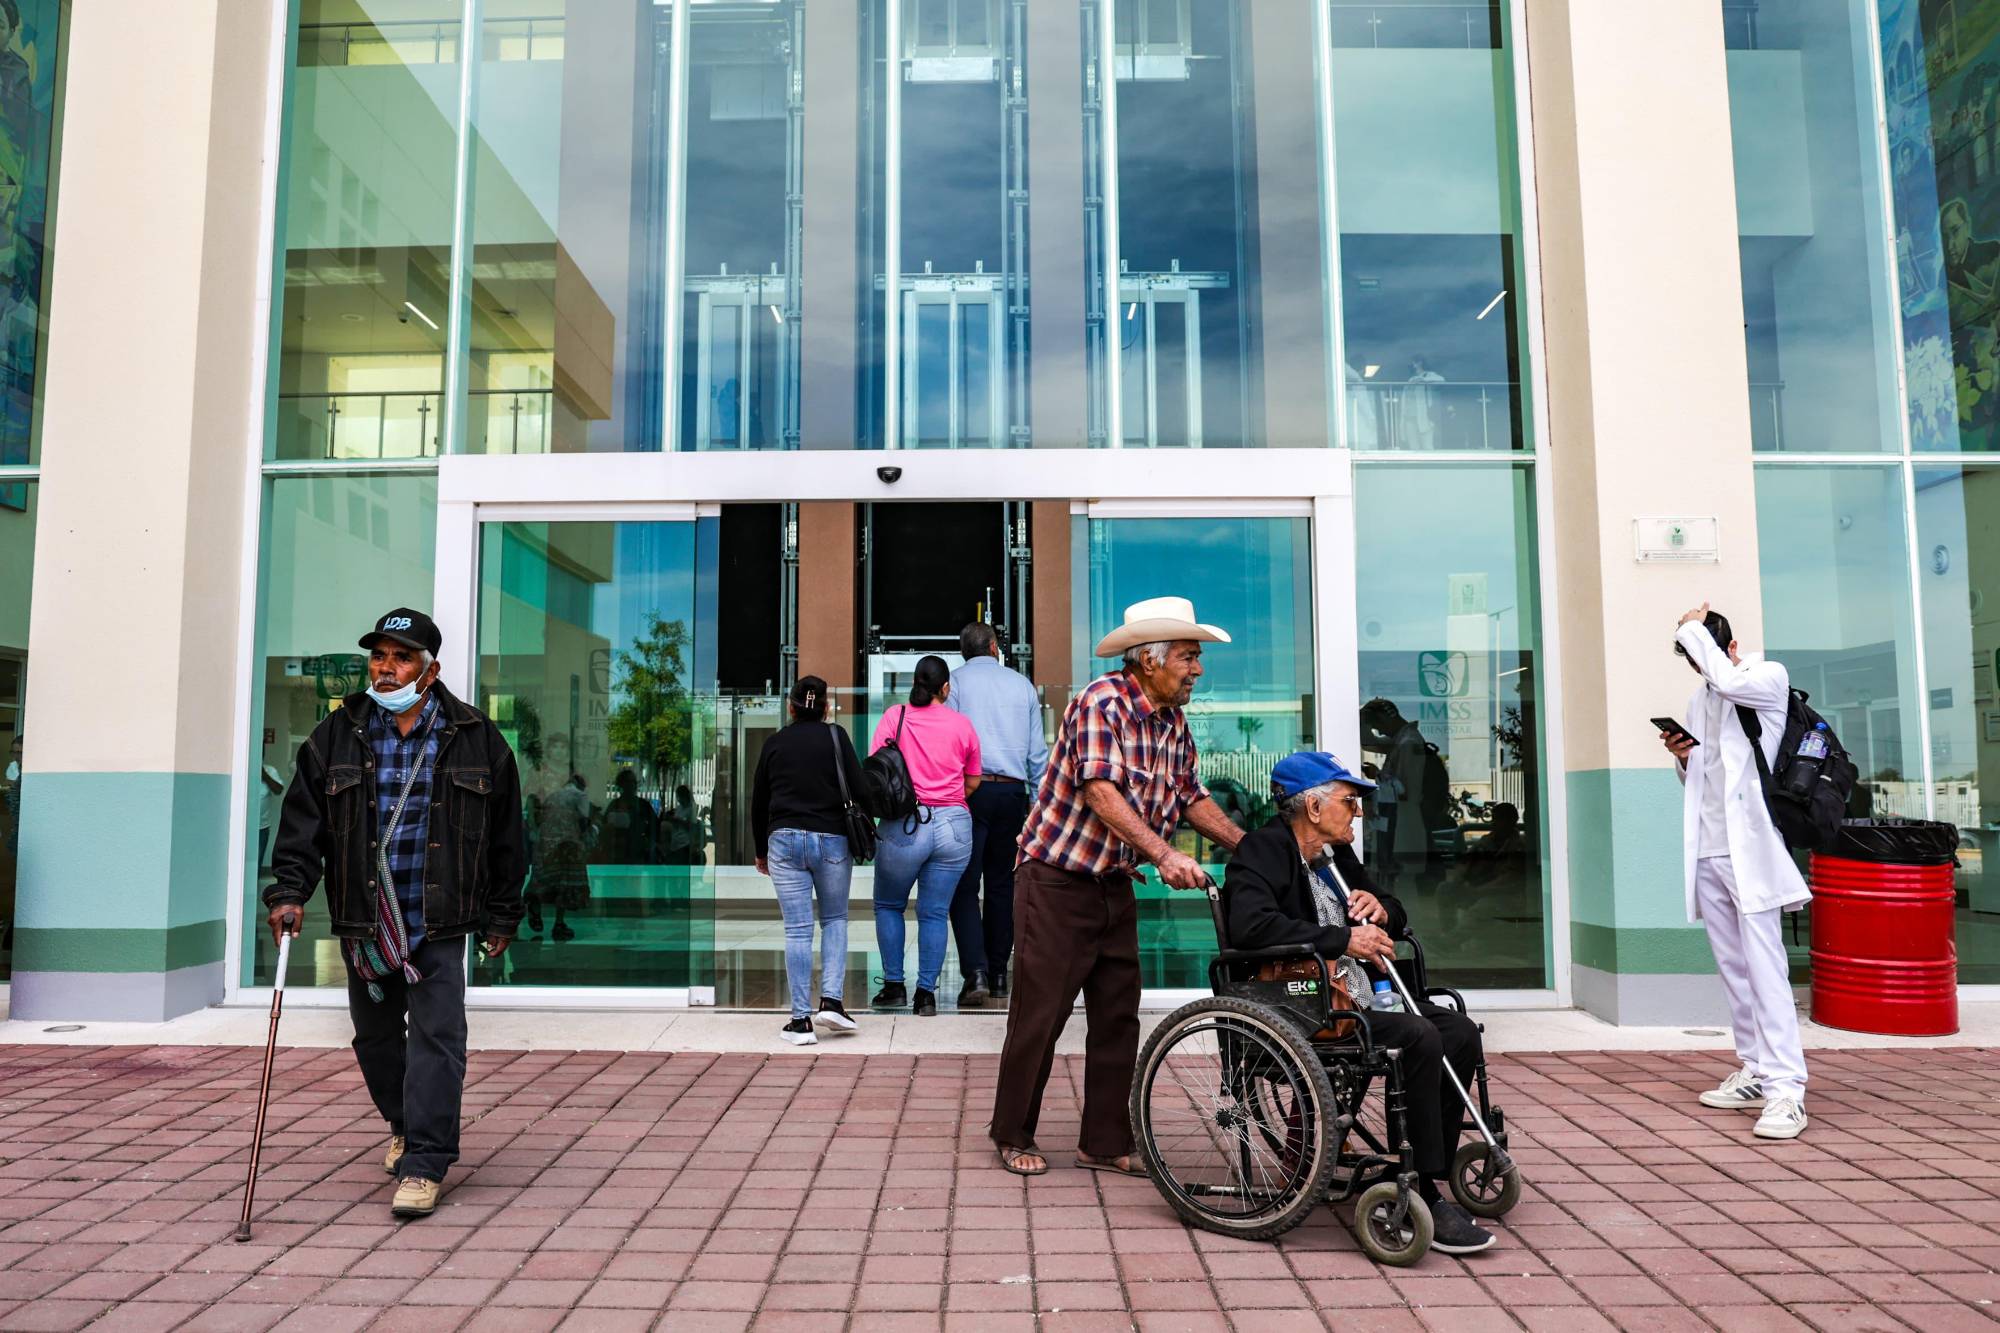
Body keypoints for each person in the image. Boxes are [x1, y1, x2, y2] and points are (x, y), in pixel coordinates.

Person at [266, 608, 526, 1218]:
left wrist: (502, 914)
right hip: (365, 919)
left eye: (402, 658)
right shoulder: (336, 734)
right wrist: (289, 892)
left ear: (429, 671)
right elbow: (303, 826)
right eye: (379, 657)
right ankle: (406, 1125)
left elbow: (507, 835)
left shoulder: (476, 736)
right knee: (377, 1040)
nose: (387, 669)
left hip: (439, 917)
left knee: (438, 1038)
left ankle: (426, 1161)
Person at [990, 596, 1245, 1177]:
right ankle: (1012, 1132)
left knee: (1117, 1015)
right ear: (1149, 660)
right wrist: (1163, 853)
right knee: (1040, 1016)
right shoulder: (1100, 703)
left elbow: (1191, 798)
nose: (1197, 669)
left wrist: (1250, 847)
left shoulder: (1171, 722)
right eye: (1188, 656)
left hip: (1112, 885)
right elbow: (1100, 793)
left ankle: (1103, 1142)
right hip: (1055, 883)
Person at [1222, 751, 1498, 1255]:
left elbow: (1390, 904)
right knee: (1418, 1037)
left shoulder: (1336, 856)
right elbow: (1251, 926)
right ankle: (1422, 1191)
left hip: (1358, 998)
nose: (1358, 811)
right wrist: (1342, 938)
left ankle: (1427, 1169)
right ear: (1311, 806)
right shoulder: (1261, 851)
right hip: (1302, 1005)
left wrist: (1382, 912)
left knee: (1455, 1030)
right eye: (1349, 801)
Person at [1663, 604, 1810, 1141]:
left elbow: (1725, 679)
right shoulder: (1701, 696)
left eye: (1701, 654)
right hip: (1710, 851)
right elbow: (1700, 780)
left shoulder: (1766, 678)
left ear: (1724, 646)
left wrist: (1689, 627)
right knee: (1734, 969)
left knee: (1766, 967)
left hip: (1752, 852)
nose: (1700, 673)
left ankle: (1787, 1090)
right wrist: (1682, 757)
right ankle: (1754, 1067)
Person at [751, 675, 868, 1044]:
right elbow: (861, 789)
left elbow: (758, 801)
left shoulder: (775, 743)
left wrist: (760, 850)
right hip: (832, 839)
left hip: (783, 840)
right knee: (834, 920)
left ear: (791, 706)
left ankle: (800, 1021)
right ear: (826, 708)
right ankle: (831, 1002)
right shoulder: (837, 737)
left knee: (797, 929)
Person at [870, 656, 981, 1017]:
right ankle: (926, 995)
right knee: (934, 912)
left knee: (889, 905)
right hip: (953, 826)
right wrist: (947, 798)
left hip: (905, 823)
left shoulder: (894, 717)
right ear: (945, 688)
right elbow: (973, 780)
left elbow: (877, 769)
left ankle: (893, 986)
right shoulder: (962, 726)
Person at [946, 622, 1049, 1006]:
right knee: (1003, 887)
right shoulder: (1021, 685)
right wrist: (1039, 803)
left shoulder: (953, 685)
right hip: (1012, 792)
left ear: (964, 652)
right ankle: (1001, 974)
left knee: (963, 885)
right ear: (994, 647)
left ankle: (976, 974)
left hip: (968, 793)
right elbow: (1037, 753)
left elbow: (949, 742)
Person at [528, 772, 592, 941]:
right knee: (564, 884)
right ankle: (559, 923)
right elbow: (584, 819)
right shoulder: (581, 795)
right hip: (567, 844)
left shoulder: (552, 795)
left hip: (546, 842)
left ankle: (535, 909)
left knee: (542, 879)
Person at [600, 768, 658, 866]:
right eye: (629, 781)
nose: (633, 785)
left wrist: (648, 843)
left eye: (634, 782)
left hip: (637, 855)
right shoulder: (614, 805)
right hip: (617, 855)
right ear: (622, 784)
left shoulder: (643, 805)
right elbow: (605, 826)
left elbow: (655, 825)